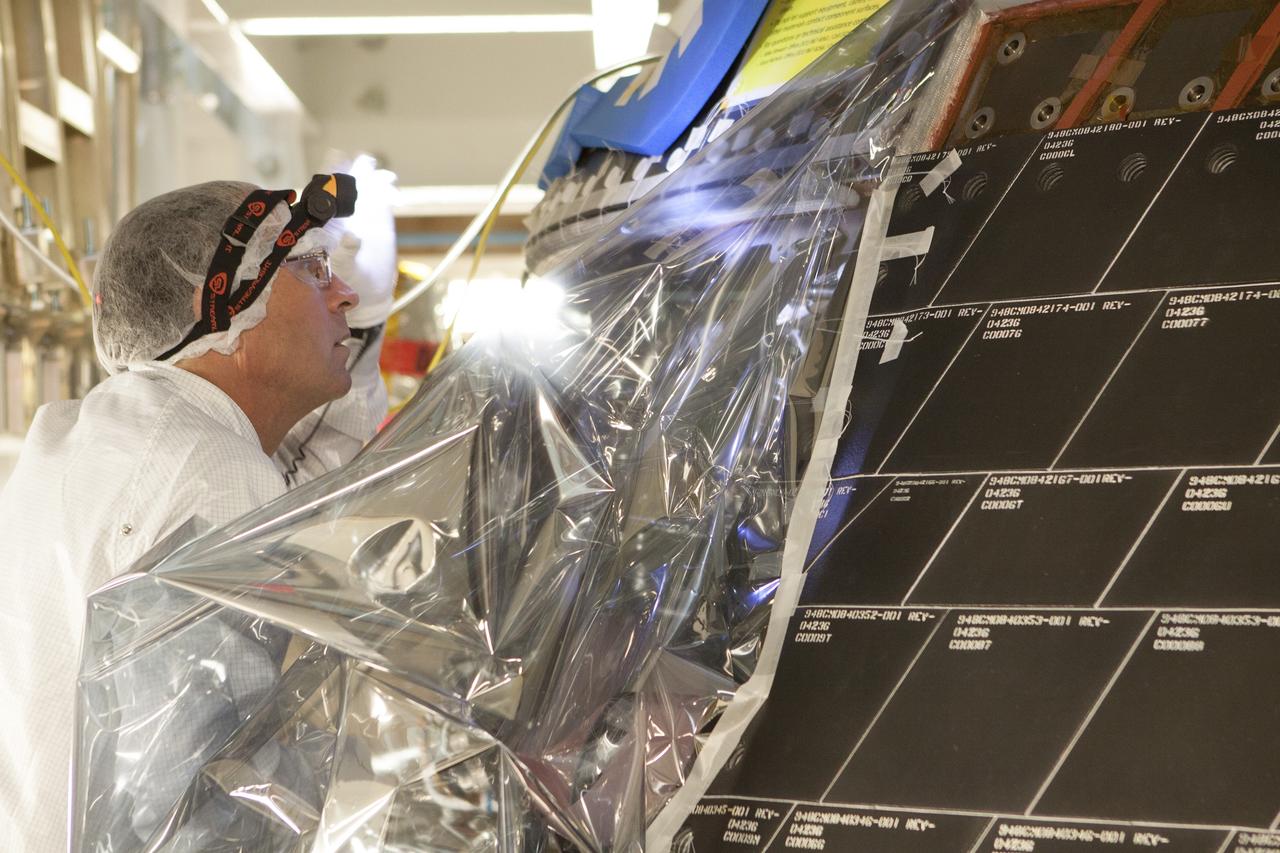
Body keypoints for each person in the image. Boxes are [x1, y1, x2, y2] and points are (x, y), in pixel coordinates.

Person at [0, 160, 398, 850]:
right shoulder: (213, 470)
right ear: (219, 305)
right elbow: (194, 807)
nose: (343, 297)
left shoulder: (90, 435)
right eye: (308, 267)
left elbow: (317, 481)